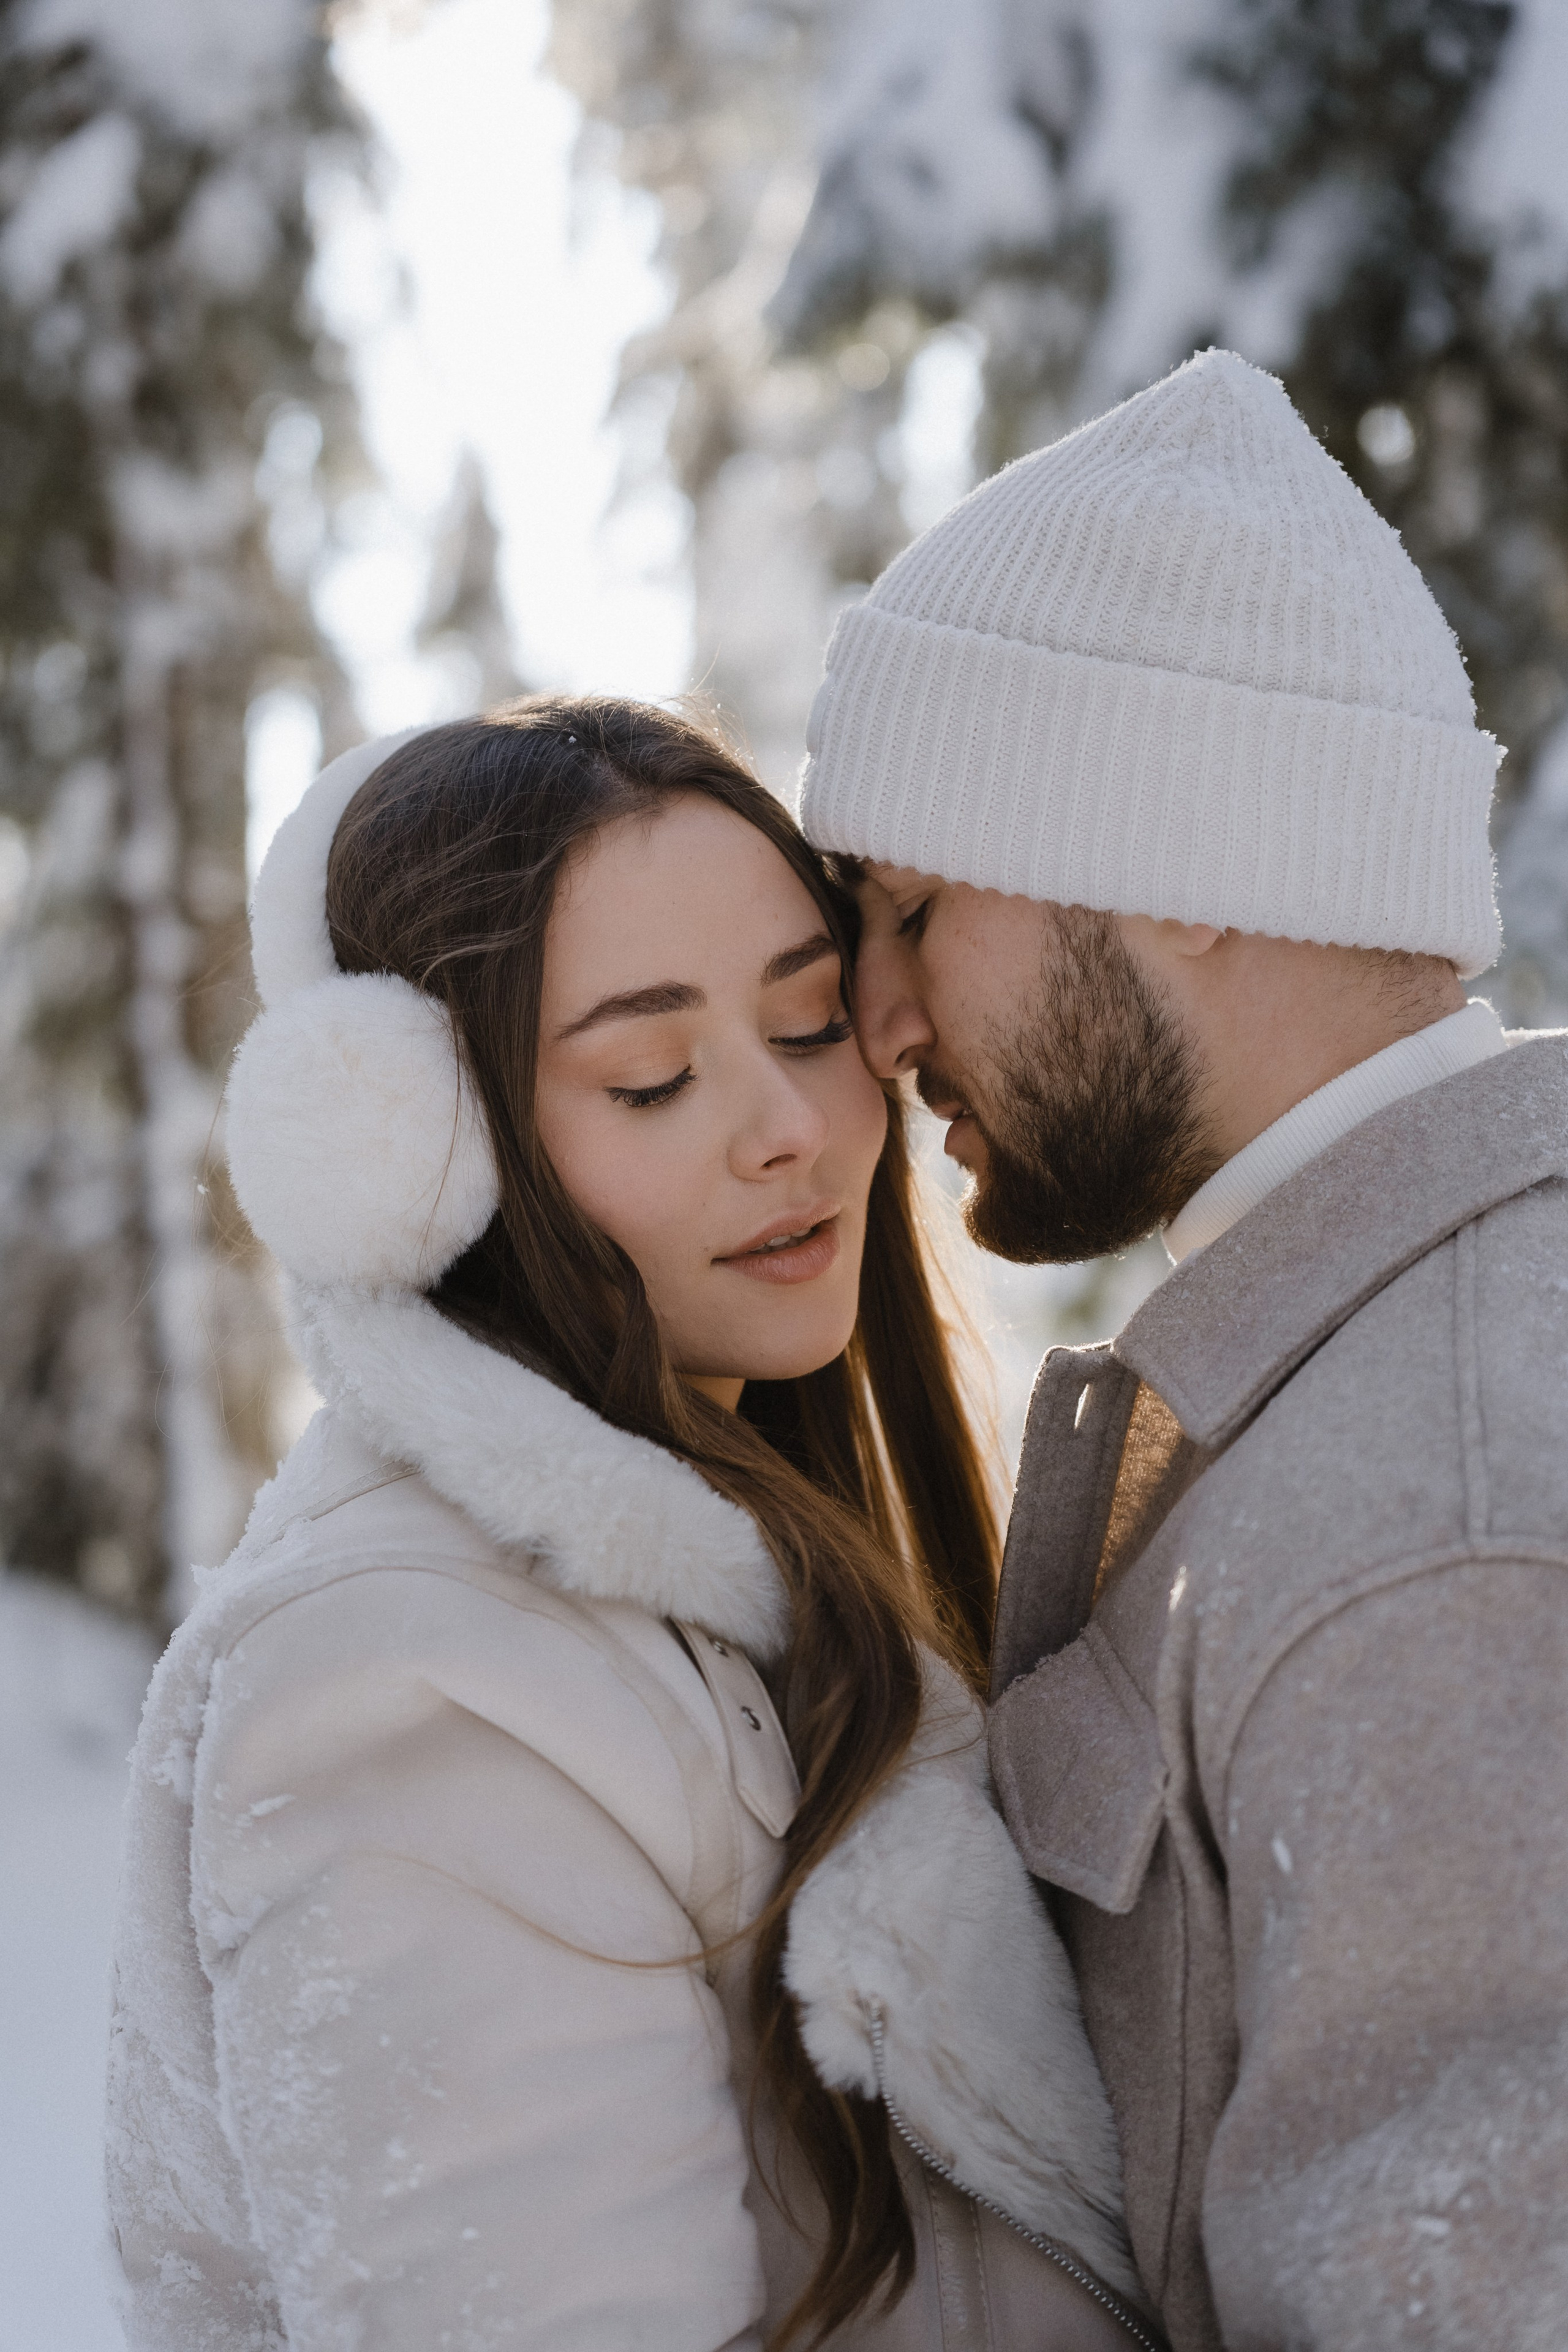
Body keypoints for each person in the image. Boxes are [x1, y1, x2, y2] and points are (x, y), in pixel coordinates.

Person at [105, 698, 1156, 2352]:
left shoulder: (760, 1580)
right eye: (653, 1076)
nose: (789, 1130)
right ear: (436, 1154)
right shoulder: (415, 1679)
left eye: (810, 1028)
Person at [800, 349, 1568, 2351]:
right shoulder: (1368, 1381)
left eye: (913, 905)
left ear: (1185, 860)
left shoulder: (1445, 1526)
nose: (876, 1023)